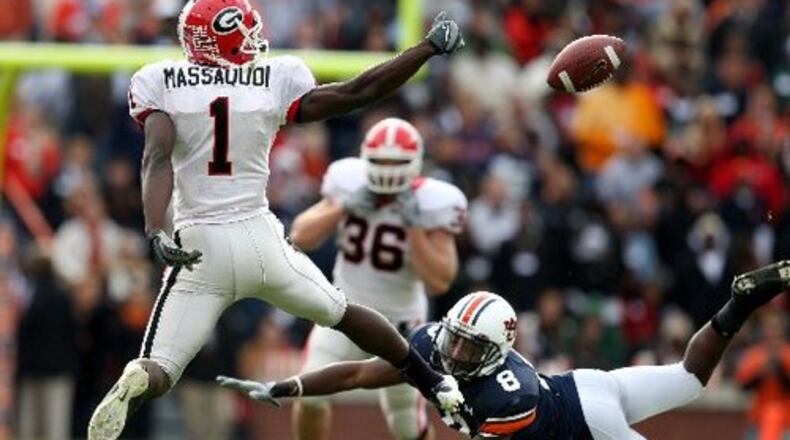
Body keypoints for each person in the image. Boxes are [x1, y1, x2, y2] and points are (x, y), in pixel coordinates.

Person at [87, 1, 467, 438]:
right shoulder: (270, 79)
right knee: (343, 313)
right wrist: (424, 49)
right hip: (260, 241)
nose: (252, 39)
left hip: (199, 249)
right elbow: (356, 92)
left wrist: (155, 228)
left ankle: (140, 376)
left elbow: (156, 159)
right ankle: (431, 379)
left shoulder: (162, 83)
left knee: (161, 367)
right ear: (222, 37)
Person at [219, 261, 790, 440]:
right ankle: (737, 303)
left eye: (470, 345)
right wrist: (290, 386)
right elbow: (358, 376)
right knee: (689, 377)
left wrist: (454, 408)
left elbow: (492, 425)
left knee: (693, 380)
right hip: (586, 386)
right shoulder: (435, 346)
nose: (456, 351)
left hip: (591, 423)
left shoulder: (504, 390)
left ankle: (742, 303)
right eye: (456, 337)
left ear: (497, 349)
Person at [290, 118, 468, 440]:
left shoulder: (431, 202)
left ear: (414, 163)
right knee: (309, 393)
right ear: (364, 158)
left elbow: (441, 281)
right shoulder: (349, 184)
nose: (387, 169)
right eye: (380, 161)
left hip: (402, 324)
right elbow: (300, 236)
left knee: (407, 425)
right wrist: (343, 207)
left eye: (396, 162)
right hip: (344, 313)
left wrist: (414, 227)